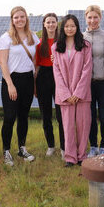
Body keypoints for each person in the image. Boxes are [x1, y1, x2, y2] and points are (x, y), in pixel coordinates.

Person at [0, 6, 40, 166]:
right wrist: (10, 84)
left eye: (22, 17)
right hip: (11, 80)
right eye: (16, 17)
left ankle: (22, 148)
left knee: (23, 116)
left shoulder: (33, 37)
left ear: (26, 18)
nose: (20, 20)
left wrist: (35, 83)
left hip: (28, 80)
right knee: (9, 117)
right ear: (12, 20)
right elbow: (3, 63)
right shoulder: (5, 38)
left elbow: (35, 61)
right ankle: (6, 151)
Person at [52, 14, 92, 167]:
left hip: (82, 93)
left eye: (73, 26)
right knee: (67, 126)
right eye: (67, 26)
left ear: (77, 27)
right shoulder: (56, 46)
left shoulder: (85, 45)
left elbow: (87, 69)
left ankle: (81, 156)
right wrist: (67, 94)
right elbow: (57, 72)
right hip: (64, 94)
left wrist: (77, 93)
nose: (70, 29)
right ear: (63, 28)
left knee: (83, 124)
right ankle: (70, 157)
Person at [83, 5, 104, 157]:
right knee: (90, 117)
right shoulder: (80, 37)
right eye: (90, 17)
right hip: (87, 84)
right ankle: (93, 146)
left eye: (95, 17)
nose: (93, 20)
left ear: (100, 18)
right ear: (85, 18)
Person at [35, 13, 65, 158]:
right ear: (44, 24)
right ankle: (51, 146)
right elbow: (37, 66)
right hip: (44, 78)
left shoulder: (63, 41)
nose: (51, 24)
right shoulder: (39, 43)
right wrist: (35, 86)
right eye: (48, 22)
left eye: (53, 22)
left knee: (61, 116)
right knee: (46, 115)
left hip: (59, 76)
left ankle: (64, 147)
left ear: (57, 24)